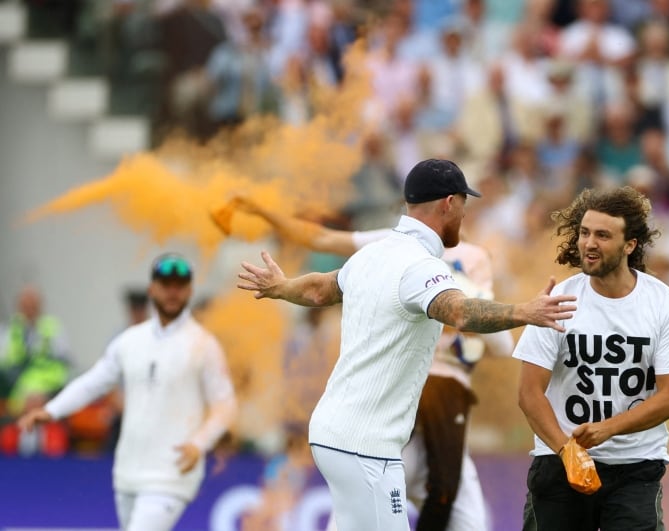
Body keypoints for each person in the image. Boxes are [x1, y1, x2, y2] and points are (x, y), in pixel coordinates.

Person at [237, 158, 577, 531]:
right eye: (464, 202)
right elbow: (460, 313)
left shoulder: (372, 253)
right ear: (449, 202)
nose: (465, 214)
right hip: (365, 446)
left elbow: (320, 289)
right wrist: (524, 311)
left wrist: (283, 287)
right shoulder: (422, 267)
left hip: (333, 434)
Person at [513, 186, 669, 530]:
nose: (588, 243)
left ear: (630, 245)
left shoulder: (665, 305)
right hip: (559, 462)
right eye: (584, 233)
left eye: (602, 235)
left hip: (635, 468)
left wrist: (606, 430)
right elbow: (528, 393)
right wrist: (568, 452)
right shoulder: (559, 300)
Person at [18, 253, 237, 531]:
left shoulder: (204, 345)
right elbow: (94, 382)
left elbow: (225, 405)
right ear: (151, 289)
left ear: (190, 291)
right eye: (165, 284)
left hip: (172, 474)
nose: (173, 291)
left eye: (180, 285)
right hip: (127, 473)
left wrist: (200, 443)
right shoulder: (130, 341)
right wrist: (51, 410)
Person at [0, 284, 71, 417]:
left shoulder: (53, 327)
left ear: (40, 306)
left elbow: (64, 365)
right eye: (25, 306)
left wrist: (44, 393)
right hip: (16, 391)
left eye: (33, 306)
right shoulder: (10, 330)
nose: (29, 310)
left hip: (49, 391)